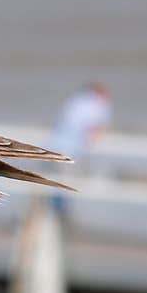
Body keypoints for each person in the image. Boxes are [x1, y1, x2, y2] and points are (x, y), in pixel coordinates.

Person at [48, 82, 112, 212]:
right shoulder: (96, 105)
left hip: (56, 145)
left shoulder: (76, 101)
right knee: (67, 182)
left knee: (58, 181)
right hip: (72, 149)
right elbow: (93, 129)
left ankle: (56, 209)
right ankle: (61, 211)